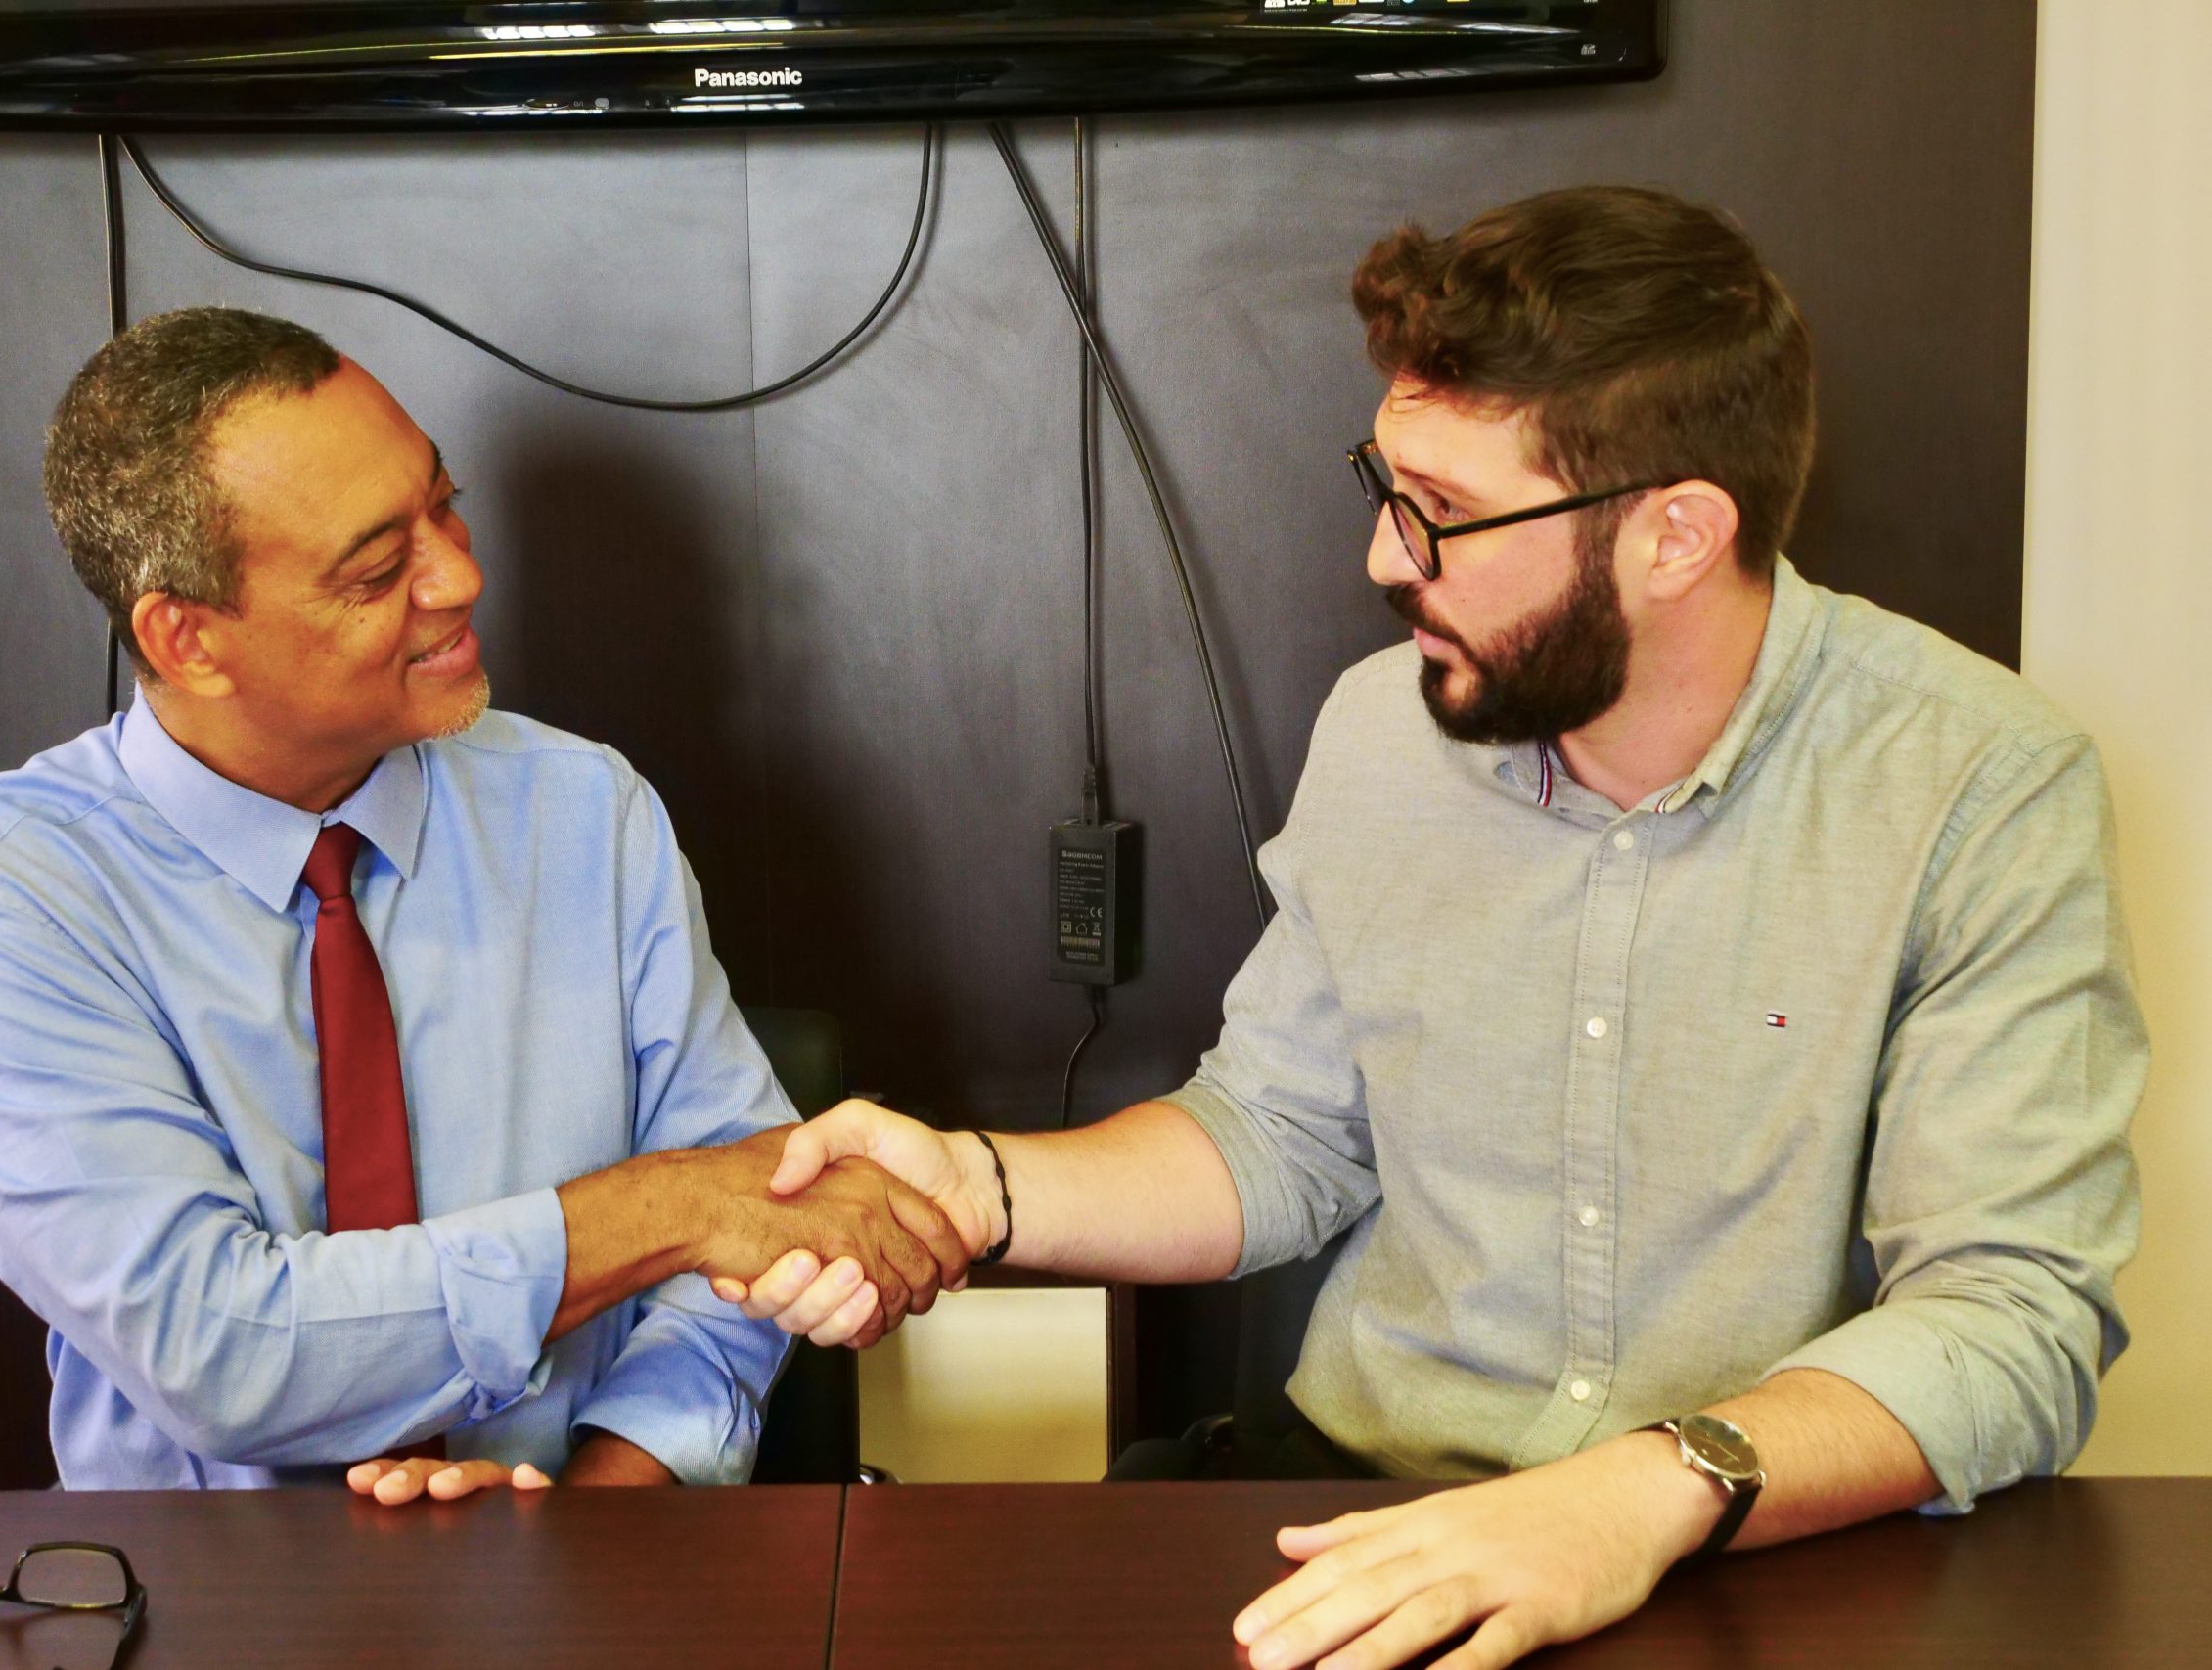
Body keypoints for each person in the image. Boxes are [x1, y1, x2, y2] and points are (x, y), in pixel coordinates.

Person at [725, 186, 2146, 1670]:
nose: (1386, 560)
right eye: (1386, 485)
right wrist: (977, 1183)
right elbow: (1280, 1133)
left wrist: (1634, 1495)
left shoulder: (1980, 783)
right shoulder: (1383, 729)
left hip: (1758, 1543)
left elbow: (2011, 1313)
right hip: (1355, 1504)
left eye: (1449, 514)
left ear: (1676, 535)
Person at [0, 307, 964, 1501]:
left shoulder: (582, 808)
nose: (460, 577)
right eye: (376, 570)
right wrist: (662, 1208)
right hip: (210, 1588)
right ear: (188, 639)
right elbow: (220, 1351)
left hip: (592, 1552)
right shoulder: (9, 893)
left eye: (442, 508)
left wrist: (603, 1508)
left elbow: (757, 1238)